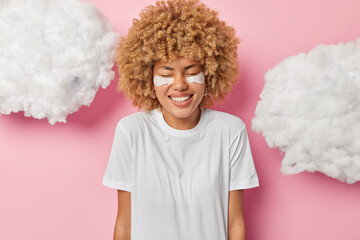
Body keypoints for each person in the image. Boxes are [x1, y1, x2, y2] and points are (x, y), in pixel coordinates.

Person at [102, 0, 259, 239]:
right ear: (147, 78)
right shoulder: (131, 132)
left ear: (210, 73)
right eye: (166, 73)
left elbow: (234, 222)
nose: (179, 84)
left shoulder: (230, 131)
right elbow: (125, 223)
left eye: (190, 71)